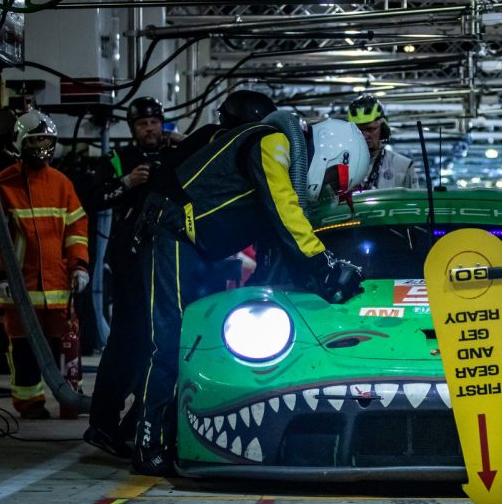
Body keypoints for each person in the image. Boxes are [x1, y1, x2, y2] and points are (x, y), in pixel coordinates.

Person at [132, 117, 371, 475]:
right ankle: (148, 443)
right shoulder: (273, 144)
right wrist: (324, 264)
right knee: (170, 340)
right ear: (332, 155)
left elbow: (276, 238)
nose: (326, 192)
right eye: (336, 182)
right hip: (172, 231)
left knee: (201, 344)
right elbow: (286, 213)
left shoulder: (281, 155)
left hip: (197, 245)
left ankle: (175, 435)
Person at [82, 97, 181, 457]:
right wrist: (126, 181)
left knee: (160, 342)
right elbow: (92, 198)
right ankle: (104, 423)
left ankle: (138, 421)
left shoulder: (175, 153)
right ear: (132, 129)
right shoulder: (118, 159)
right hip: (129, 259)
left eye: (155, 122)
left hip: (165, 259)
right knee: (127, 340)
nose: (150, 129)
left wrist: (184, 145)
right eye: (143, 124)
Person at [0, 109, 90, 419]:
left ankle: (71, 398)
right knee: (24, 349)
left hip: (57, 287)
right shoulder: (2, 184)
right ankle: (31, 403)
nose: (42, 148)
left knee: (65, 346)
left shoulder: (61, 184)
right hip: (19, 289)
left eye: (47, 141)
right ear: (20, 143)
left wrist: (79, 266)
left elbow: (76, 229)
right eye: (35, 141)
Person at [346, 94, 420, 190]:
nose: (364, 135)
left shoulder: (403, 166)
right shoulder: (339, 166)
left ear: (383, 128)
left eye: (371, 129)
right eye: (358, 130)